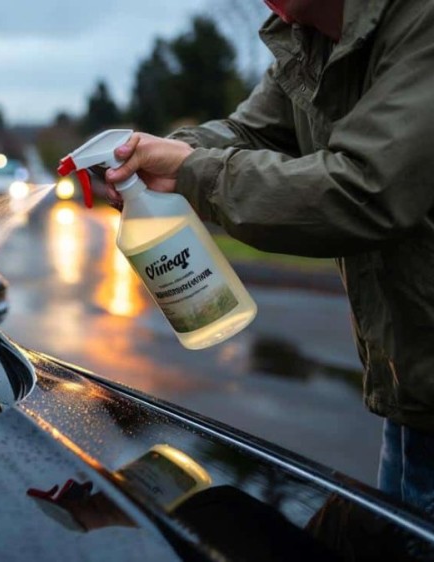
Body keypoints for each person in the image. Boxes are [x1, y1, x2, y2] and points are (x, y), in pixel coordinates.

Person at [102, 0, 434, 516]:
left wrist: (195, 172)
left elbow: (366, 187)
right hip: (415, 399)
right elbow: (249, 133)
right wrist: (158, 153)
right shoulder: (308, 41)